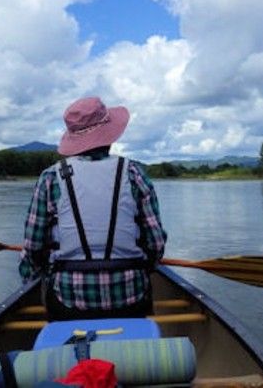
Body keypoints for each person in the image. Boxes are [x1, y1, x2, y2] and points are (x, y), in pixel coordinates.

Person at [19, 96, 167, 321]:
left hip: (68, 297)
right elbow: (156, 245)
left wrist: (33, 276)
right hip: (130, 294)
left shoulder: (50, 177)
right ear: (109, 136)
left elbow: (32, 248)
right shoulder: (134, 173)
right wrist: (146, 267)